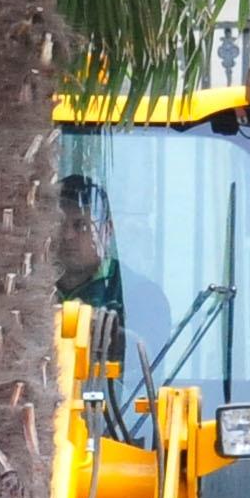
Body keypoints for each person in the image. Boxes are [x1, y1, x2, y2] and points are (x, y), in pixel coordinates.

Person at [56, 173, 173, 417]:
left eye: (81, 225)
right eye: (59, 225)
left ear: (107, 231)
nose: (67, 235)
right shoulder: (20, 293)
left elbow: (144, 372)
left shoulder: (141, 296)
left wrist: (110, 337)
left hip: (120, 433)